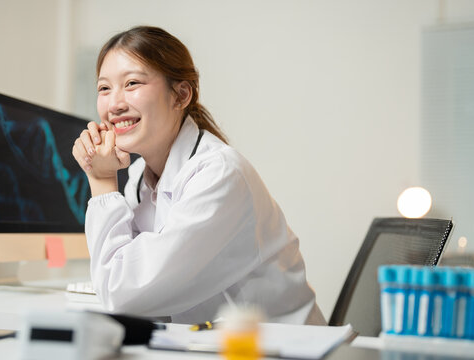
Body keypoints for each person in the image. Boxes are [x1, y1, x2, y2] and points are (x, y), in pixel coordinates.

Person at [72, 26, 326, 325]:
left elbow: (122, 294)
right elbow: (128, 283)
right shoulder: (141, 175)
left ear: (180, 95)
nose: (114, 104)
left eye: (132, 83)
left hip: (275, 349)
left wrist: (101, 181)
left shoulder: (218, 174)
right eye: (104, 88)